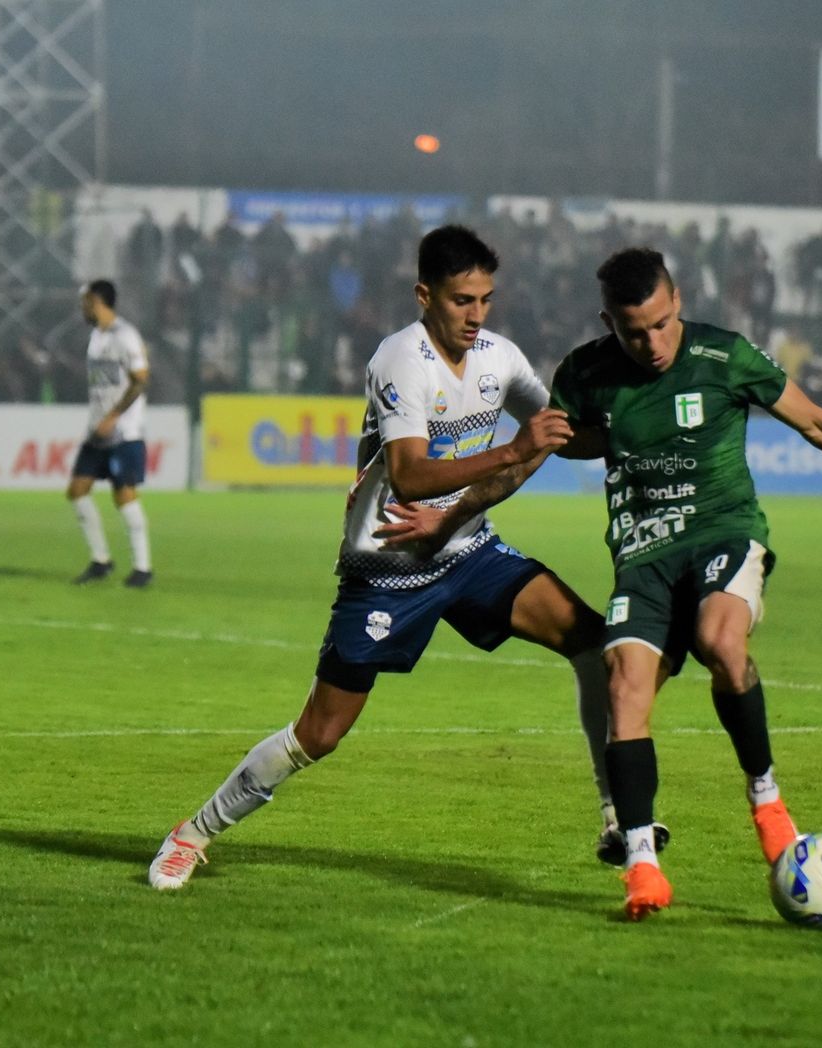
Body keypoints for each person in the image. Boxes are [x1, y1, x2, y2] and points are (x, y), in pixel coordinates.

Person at [146, 225, 658, 890]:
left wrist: (632, 423)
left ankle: (618, 816)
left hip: (468, 549)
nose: (476, 315)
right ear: (424, 295)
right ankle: (194, 833)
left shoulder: (500, 358)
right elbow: (411, 476)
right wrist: (512, 449)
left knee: (594, 643)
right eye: (461, 300)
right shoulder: (400, 361)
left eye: (485, 300)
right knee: (319, 733)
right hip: (386, 567)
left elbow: (562, 437)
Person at [548, 248, 822, 920]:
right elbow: (561, 438)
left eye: (661, 324)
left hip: (723, 531)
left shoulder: (724, 356)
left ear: (677, 299)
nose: (652, 343)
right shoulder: (583, 373)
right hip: (643, 552)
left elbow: (816, 422)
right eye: (634, 332)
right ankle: (641, 865)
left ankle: (766, 799)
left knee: (722, 641)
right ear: (609, 323)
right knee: (624, 687)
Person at [67, 279, 154, 588]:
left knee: (124, 495)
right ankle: (101, 560)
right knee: (77, 490)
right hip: (97, 431)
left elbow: (140, 380)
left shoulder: (126, 336)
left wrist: (114, 417)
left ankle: (143, 568)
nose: (82, 308)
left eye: (85, 302)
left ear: (98, 301)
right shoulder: (96, 336)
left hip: (124, 431)